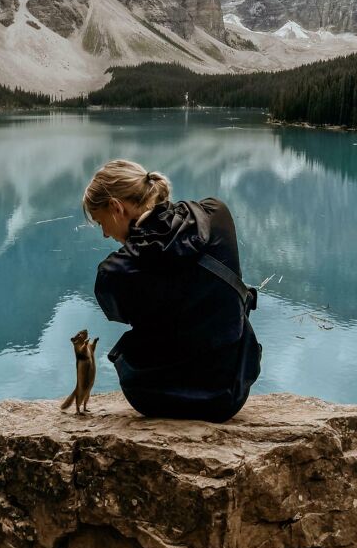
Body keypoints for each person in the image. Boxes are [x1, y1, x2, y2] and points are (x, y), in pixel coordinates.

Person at [83, 159, 262, 422]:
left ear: (116, 207)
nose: (105, 235)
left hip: (157, 396)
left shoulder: (115, 273)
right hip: (230, 392)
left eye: (101, 223)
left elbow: (126, 315)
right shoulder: (216, 213)